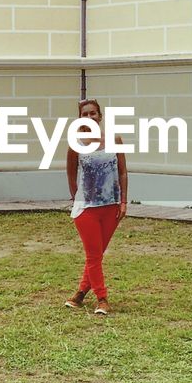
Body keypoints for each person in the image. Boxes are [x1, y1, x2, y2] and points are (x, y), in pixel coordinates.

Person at [65, 97, 127, 315]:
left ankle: (80, 294)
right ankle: (102, 299)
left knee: (97, 255)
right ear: (79, 118)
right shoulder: (75, 144)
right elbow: (71, 175)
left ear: (100, 116)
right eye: (85, 114)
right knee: (93, 256)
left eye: (93, 113)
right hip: (87, 209)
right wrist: (77, 198)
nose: (89, 117)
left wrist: (123, 201)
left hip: (111, 207)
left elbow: (122, 171)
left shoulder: (114, 139)